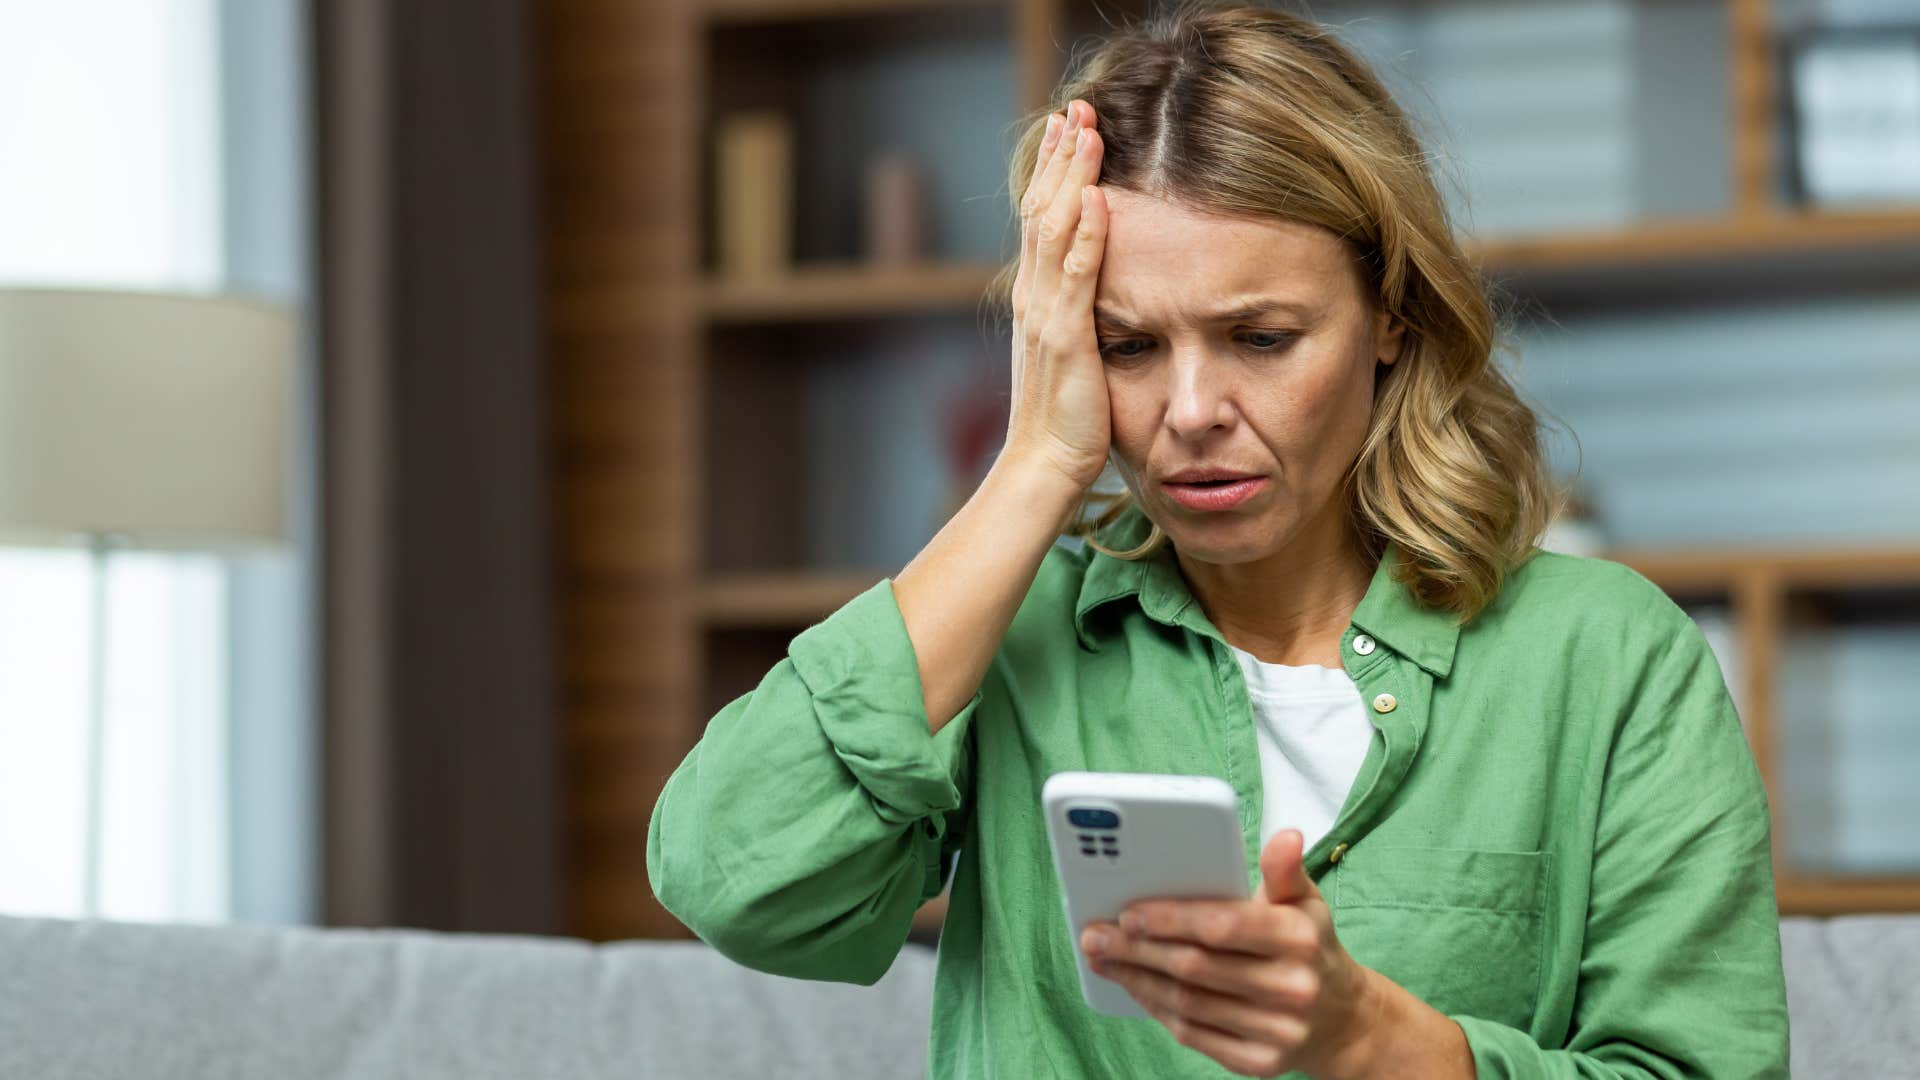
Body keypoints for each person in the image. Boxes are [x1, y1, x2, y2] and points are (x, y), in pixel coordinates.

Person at [646, 3, 1791, 1076]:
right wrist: (1037, 462)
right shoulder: (1008, 640)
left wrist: (1377, 1046)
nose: (1191, 411)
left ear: (1391, 314)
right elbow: (735, 880)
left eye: (1260, 335)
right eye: (1128, 347)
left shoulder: (1606, 661)